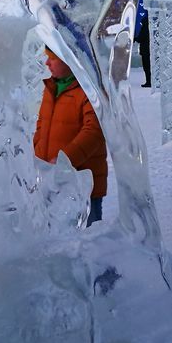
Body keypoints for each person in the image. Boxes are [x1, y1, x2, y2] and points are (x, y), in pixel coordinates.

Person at [33, 45, 109, 224]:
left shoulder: (89, 91)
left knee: (84, 234)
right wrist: (36, 155)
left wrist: (64, 161)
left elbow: (94, 132)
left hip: (81, 183)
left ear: (69, 59)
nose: (47, 63)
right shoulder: (51, 88)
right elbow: (42, 126)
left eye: (52, 59)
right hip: (50, 180)